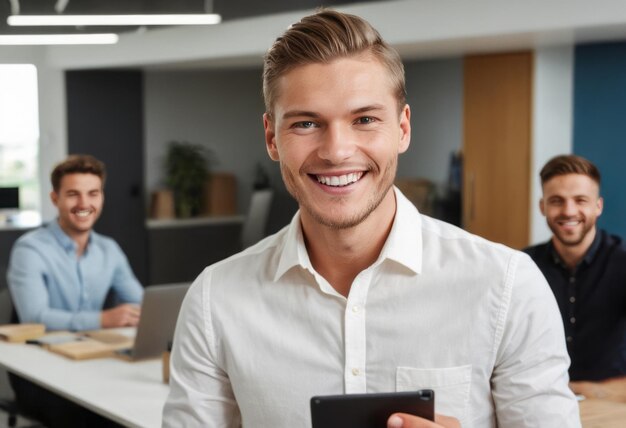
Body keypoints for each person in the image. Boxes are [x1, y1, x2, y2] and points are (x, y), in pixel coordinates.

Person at [163, 10, 580, 428]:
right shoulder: (214, 301)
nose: (336, 150)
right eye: (307, 123)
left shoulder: (507, 287)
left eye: (364, 119)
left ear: (402, 128)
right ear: (272, 138)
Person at [7, 154, 144, 428]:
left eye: (93, 193)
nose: (84, 204)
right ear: (55, 198)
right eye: (73, 194)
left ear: (102, 197)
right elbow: (35, 317)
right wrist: (103, 319)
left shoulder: (109, 250)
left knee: (139, 402)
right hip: (39, 371)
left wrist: (143, 314)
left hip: (94, 360)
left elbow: (141, 303)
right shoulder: (30, 250)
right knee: (99, 414)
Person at [524, 154, 626, 382]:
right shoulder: (523, 266)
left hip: (609, 401)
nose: (568, 211)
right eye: (556, 201)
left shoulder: (622, 263)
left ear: (598, 206)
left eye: (580, 200)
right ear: (543, 206)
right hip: (540, 397)